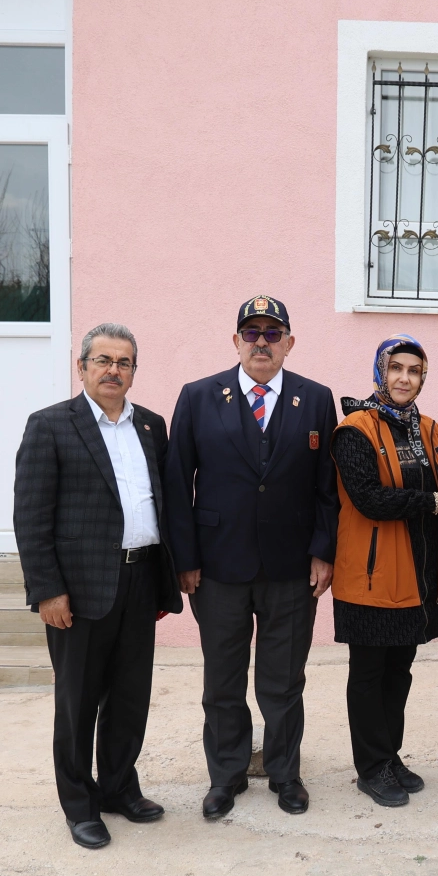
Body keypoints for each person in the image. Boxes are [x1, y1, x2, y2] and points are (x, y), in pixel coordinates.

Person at [163, 296, 339, 820]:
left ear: (289, 342)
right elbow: (178, 485)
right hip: (217, 567)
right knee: (222, 679)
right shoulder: (197, 397)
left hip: (291, 567)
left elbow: (327, 487)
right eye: (251, 332)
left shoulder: (315, 398)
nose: (261, 342)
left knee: (283, 680)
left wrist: (323, 551)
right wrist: (185, 558)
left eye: (272, 332)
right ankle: (227, 775)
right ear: (235, 340)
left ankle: (285, 773)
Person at [13, 322, 182, 850]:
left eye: (124, 362)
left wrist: (163, 581)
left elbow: (161, 503)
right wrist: (47, 590)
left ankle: (118, 788)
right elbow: (31, 516)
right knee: (78, 702)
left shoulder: (152, 426)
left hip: (140, 578)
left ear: (134, 371)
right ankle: (79, 804)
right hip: (78, 592)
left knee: (131, 698)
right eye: (103, 360)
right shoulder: (50, 426)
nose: (114, 370)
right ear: (81, 366)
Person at [330, 335, 438, 807]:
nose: (405, 378)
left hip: (418, 576)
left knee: (400, 671)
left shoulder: (430, 430)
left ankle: (390, 756)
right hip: (370, 577)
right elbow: (368, 497)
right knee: (369, 674)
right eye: (396, 369)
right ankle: (370, 768)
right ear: (380, 372)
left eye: (414, 370)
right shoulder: (354, 429)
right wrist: (434, 498)